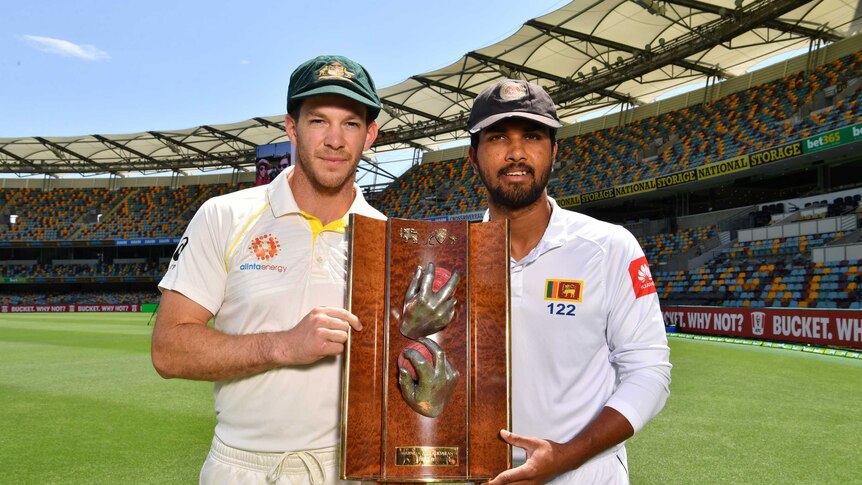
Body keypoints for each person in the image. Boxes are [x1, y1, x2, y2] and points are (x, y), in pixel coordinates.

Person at [151, 54, 384, 485]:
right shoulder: (223, 215)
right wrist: (283, 346)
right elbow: (169, 349)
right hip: (244, 466)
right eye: (318, 121)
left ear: (369, 135)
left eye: (350, 124)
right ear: (291, 128)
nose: (335, 140)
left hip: (356, 469)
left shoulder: (389, 239)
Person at [466, 79, 672, 484]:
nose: (516, 152)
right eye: (497, 137)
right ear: (473, 156)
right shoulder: (450, 259)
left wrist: (565, 457)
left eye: (532, 136)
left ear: (554, 151)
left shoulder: (610, 247)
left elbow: (650, 372)